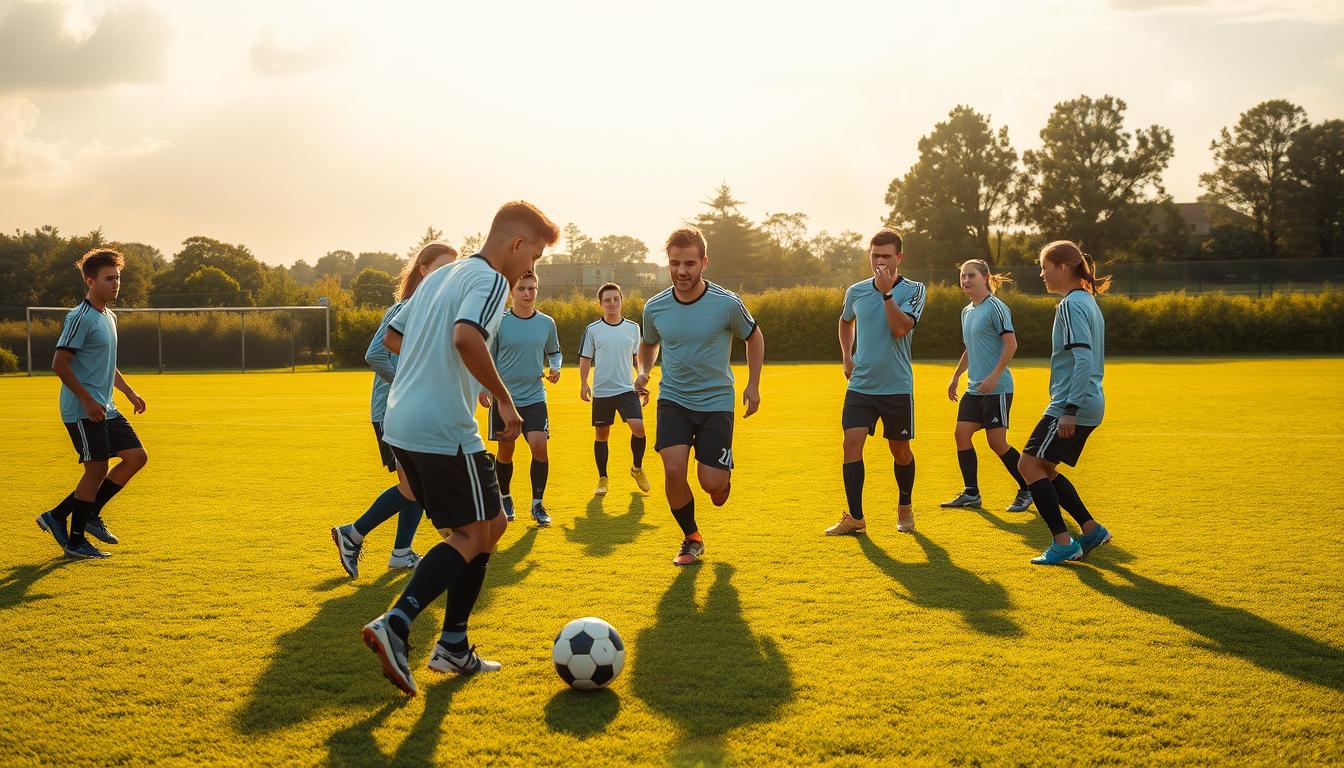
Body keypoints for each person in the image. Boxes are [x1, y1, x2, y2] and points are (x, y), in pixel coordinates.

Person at [361, 201, 559, 695]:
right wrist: (507, 405)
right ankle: (398, 623)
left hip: (402, 421)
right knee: (474, 533)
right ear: (517, 245)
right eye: (533, 257)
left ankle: (452, 645)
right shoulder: (492, 281)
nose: (531, 270)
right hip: (444, 427)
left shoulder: (439, 277)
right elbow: (467, 337)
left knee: (490, 525)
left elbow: (394, 336)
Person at [636, 227, 763, 566]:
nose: (682, 271)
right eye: (675, 263)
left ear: (704, 262)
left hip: (716, 403)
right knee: (673, 469)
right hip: (673, 399)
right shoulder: (655, 307)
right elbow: (648, 343)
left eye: (689, 263)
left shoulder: (727, 304)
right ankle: (691, 538)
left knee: (712, 484)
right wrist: (645, 371)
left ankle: (722, 481)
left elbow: (754, 336)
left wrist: (753, 384)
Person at [331, 243, 457, 578]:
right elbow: (375, 354)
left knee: (415, 484)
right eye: (441, 267)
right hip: (392, 412)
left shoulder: (435, 311)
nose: (447, 275)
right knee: (416, 486)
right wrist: (410, 380)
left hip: (414, 410)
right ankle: (352, 533)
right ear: (423, 269)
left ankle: (400, 552)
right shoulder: (406, 307)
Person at [36, 249, 149, 559]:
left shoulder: (108, 316)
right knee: (96, 469)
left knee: (136, 457)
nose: (116, 284)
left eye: (118, 278)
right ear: (90, 281)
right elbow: (60, 363)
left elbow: (105, 363)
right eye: (109, 278)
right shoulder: (80, 317)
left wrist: (128, 391)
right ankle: (75, 542)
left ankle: (66, 516)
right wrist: (86, 401)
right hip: (82, 409)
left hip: (106, 406)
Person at [1018, 240, 1112, 565]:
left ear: (1061, 267)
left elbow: (1083, 359)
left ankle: (1062, 542)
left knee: (1027, 465)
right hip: (1087, 400)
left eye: (1044, 267)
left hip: (1072, 403)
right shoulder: (1086, 300)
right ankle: (1091, 529)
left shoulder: (1071, 304)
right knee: (1045, 468)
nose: (1041, 274)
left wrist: (1069, 410)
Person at [826, 228, 924, 536]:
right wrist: (847, 356)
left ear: (899, 257)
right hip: (861, 385)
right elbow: (845, 321)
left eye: (885, 256)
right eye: (875, 255)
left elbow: (900, 328)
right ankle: (855, 517)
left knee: (900, 451)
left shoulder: (914, 289)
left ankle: (905, 506)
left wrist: (886, 293)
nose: (879, 261)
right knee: (850, 443)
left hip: (896, 386)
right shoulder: (855, 291)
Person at [941, 259, 1033, 512]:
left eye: (971, 275)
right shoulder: (966, 311)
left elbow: (1011, 344)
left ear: (985, 277)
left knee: (997, 443)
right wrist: (956, 376)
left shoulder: (996, 307)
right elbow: (970, 348)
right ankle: (971, 493)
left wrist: (994, 375)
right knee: (961, 434)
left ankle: (1028, 489)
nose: (966, 281)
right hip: (974, 389)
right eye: (962, 276)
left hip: (998, 388)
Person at [480, 270, 562, 527]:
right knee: (506, 450)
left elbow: (555, 351)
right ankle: (505, 497)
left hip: (535, 395)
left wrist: (555, 366)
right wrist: (484, 388)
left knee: (539, 445)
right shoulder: (499, 322)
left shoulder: (547, 322)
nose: (528, 294)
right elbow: (486, 357)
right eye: (522, 289)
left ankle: (537, 505)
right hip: (504, 399)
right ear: (511, 293)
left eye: (532, 289)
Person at [578, 282, 649, 496]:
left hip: (627, 390)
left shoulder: (633, 328)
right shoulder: (592, 330)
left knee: (639, 429)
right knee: (602, 434)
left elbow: (639, 357)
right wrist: (583, 383)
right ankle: (603, 478)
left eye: (615, 299)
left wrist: (642, 376)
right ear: (600, 304)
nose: (612, 303)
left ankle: (637, 468)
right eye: (607, 300)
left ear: (621, 301)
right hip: (602, 392)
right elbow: (585, 359)